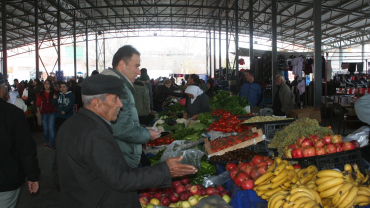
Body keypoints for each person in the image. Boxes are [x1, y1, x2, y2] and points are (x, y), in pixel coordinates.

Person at [56, 74, 197, 207]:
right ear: (96, 103)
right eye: (115, 99)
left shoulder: (70, 125)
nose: (120, 104)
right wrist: (165, 170)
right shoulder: (94, 133)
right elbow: (121, 179)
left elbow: (57, 175)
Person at [101, 45, 161, 168]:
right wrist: (147, 134)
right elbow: (120, 128)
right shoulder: (117, 87)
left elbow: (123, 122)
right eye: (136, 66)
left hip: (115, 155)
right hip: (120, 158)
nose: (139, 72)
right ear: (122, 65)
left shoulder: (111, 83)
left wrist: (143, 128)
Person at [0, 73, 40, 208]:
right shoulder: (13, 113)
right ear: (2, 88)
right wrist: (32, 175)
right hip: (5, 181)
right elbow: (25, 148)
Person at [37, 79, 57, 150]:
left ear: (50, 85)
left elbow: (56, 104)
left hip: (52, 112)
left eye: (48, 84)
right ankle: (46, 141)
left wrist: (54, 99)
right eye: (45, 83)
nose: (46, 85)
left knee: (51, 128)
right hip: (44, 113)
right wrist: (39, 112)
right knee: (45, 129)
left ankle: (52, 143)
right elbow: (38, 104)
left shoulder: (54, 93)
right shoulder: (40, 93)